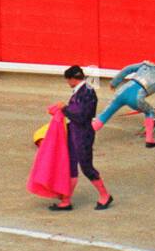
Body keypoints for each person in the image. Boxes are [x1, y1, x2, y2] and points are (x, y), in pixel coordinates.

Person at [47, 66, 114, 211]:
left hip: (83, 134)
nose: (67, 83)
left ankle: (105, 195)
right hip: (75, 133)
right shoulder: (82, 91)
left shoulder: (87, 93)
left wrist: (64, 108)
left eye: (67, 80)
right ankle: (66, 200)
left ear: (72, 79)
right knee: (70, 165)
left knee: (86, 167)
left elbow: (81, 116)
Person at [93, 57, 155, 148]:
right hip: (136, 98)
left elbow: (127, 69)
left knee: (104, 115)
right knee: (150, 112)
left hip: (122, 91)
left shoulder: (147, 65)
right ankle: (149, 140)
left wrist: (114, 82)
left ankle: (83, 135)